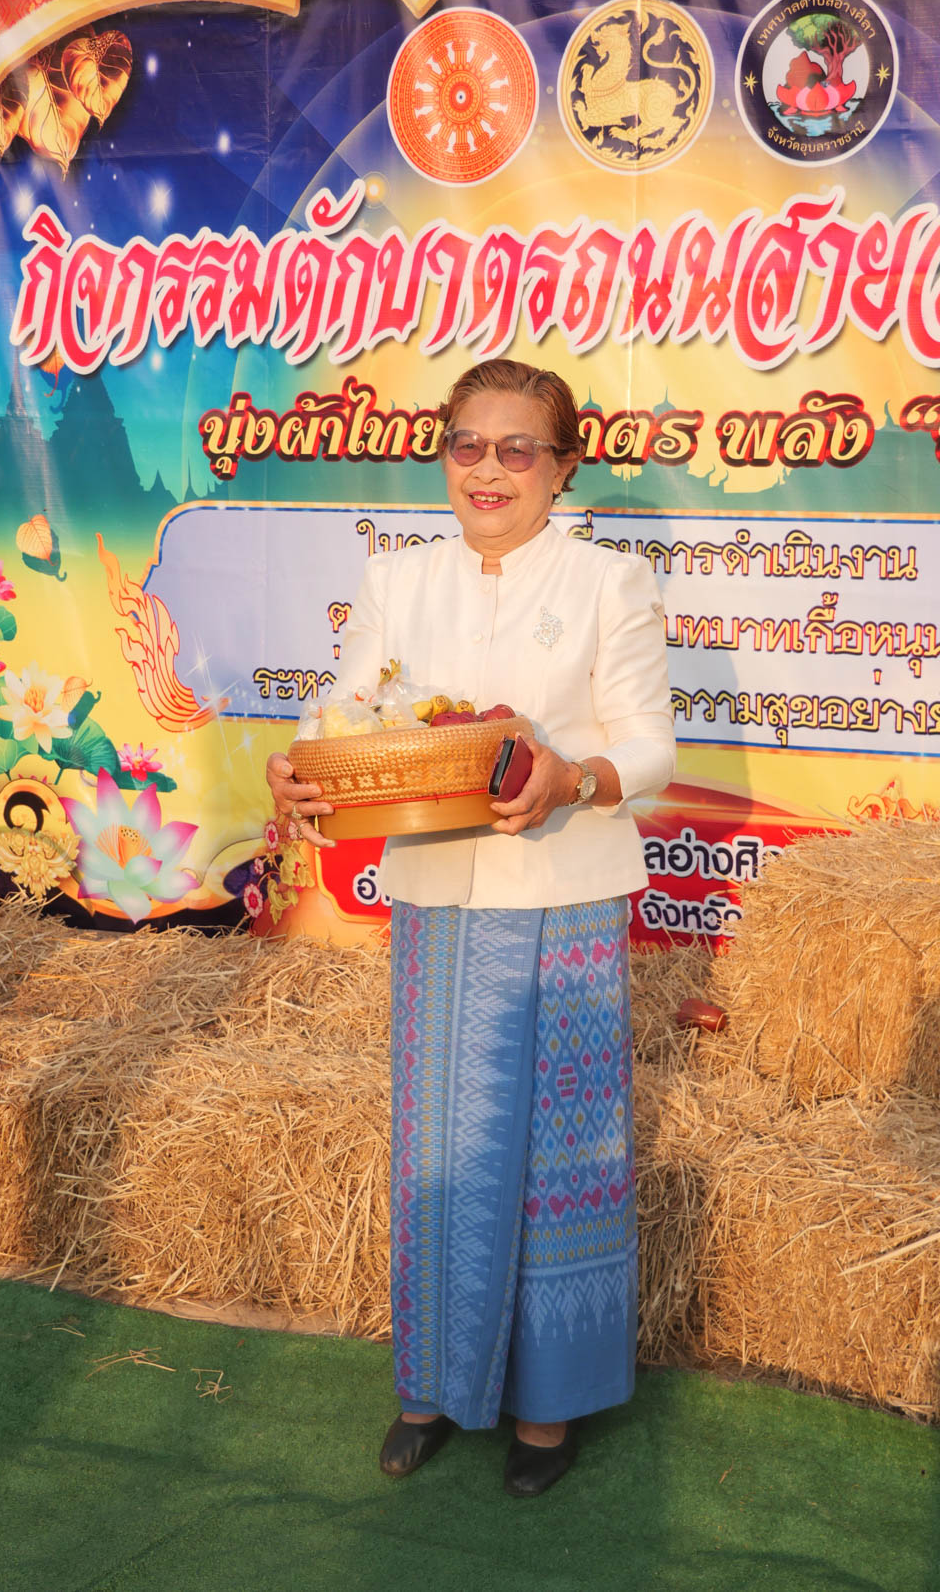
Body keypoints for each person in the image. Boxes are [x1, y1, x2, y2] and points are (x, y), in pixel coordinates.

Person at [267, 358, 675, 1497]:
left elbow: (650, 744)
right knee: (442, 1150)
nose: (488, 469)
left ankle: (549, 1412)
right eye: (466, 445)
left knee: (559, 1161)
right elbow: (346, 716)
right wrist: (301, 767)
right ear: (444, 454)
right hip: (440, 903)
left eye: (517, 448)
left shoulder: (609, 580)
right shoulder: (398, 577)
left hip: (566, 902)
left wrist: (571, 778)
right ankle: (431, 1389)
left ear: (563, 467)